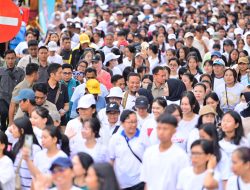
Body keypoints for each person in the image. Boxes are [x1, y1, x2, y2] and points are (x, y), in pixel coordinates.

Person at [141, 114, 189, 190]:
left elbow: (184, 184)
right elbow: (147, 182)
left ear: (174, 131)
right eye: (159, 128)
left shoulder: (181, 156)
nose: (161, 132)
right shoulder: (149, 152)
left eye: (165, 129)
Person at [109, 110, 147, 189]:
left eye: (135, 122)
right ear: (122, 123)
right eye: (130, 122)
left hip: (139, 183)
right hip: (120, 185)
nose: (133, 125)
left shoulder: (143, 137)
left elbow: (148, 161)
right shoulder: (115, 138)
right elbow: (111, 160)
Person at [10, 117, 41, 190]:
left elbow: (35, 172)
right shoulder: (17, 143)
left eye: (14, 128)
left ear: (22, 130)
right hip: (17, 186)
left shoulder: (32, 147)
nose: (11, 130)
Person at [0, 50, 24, 131]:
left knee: (14, 118)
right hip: (3, 98)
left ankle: (11, 130)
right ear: (5, 59)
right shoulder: (1, 70)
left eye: (12, 58)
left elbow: (22, 85)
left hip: (15, 99)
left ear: (16, 58)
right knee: (4, 113)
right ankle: (3, 128)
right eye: (8, 58)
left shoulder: (20, 71)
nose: (10, 61)